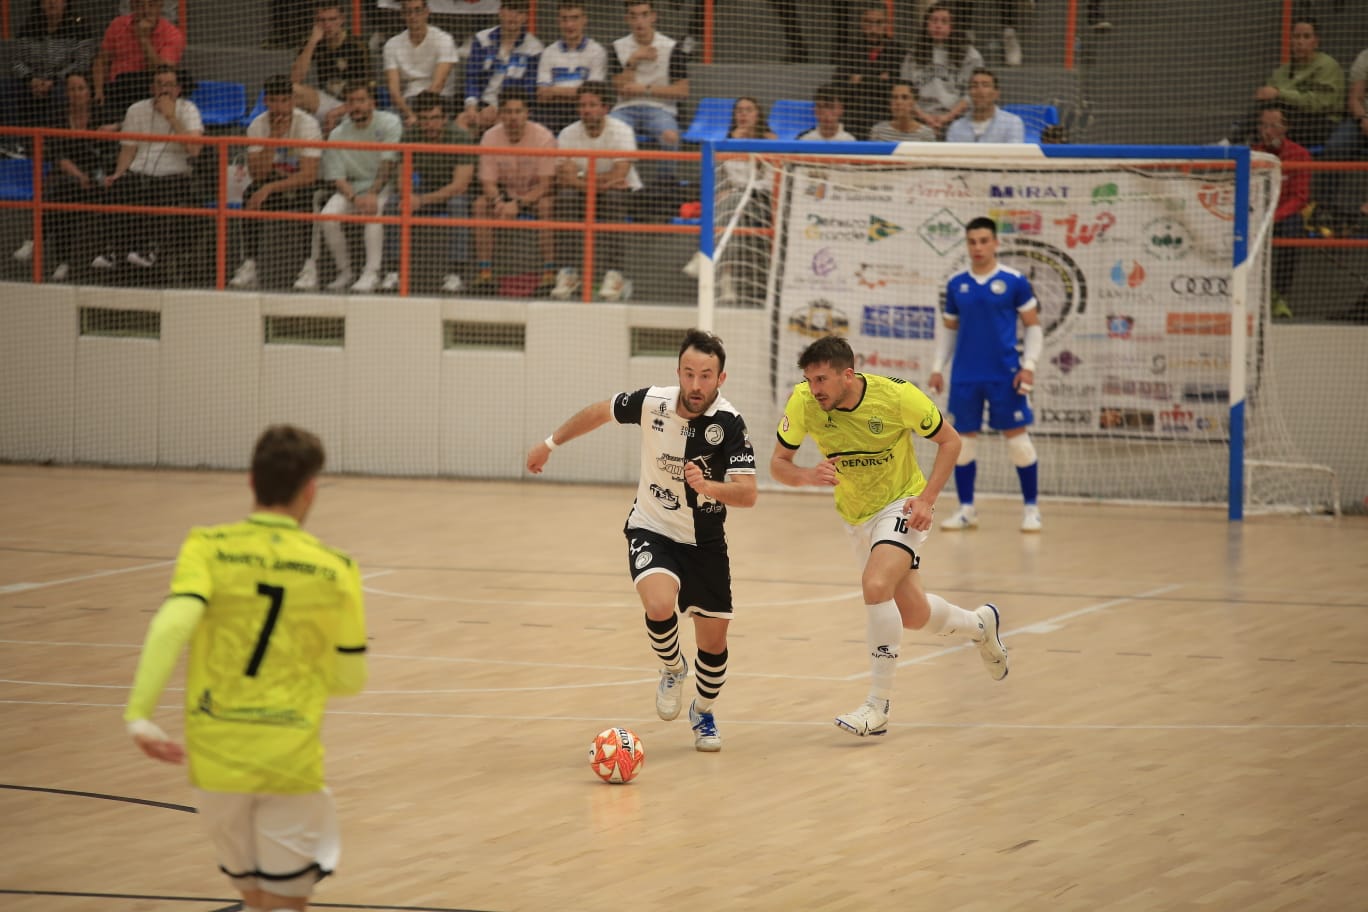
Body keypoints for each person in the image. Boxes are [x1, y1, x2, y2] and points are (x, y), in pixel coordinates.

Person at [123, 424, 367, 912]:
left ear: (252, 482)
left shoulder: (207, 548)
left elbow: (172, 625)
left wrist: (139, 714)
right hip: (288, 758)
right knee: (282, 904)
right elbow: (349, 679)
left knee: (255, 897)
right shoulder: (335, 567)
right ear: (311, 489)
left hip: (216, 760)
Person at [526, 329, 757, 751]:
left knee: (715, 645)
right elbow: (601, 411)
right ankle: (672, 667)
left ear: (720, 379)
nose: (695, 384)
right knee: (658, 602)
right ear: (678, 372)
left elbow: (748, 493)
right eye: (689, 373)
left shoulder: (730, 424)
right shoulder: (655, 402)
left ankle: (703, 713)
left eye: (706, 375)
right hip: (652, 526)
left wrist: (709, 486)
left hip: (705, 544)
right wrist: (549, 443)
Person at [770, 334, 1008, 738]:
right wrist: (807, 476)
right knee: (913, 614)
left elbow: (951, 441)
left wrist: (927, 500)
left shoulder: (897, 397)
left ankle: (877, 705)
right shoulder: (804, 403)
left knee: (875, 584)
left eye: (823, 380)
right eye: (810, 381)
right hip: (855, 515)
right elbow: (778, 464)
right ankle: (979, 626)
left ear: (848, 374)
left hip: (902, 504)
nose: (816, 390)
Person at [928, 215, 1044, 532]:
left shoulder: (1014, 281)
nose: (977, 247)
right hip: (965, 375)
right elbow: (949, 330)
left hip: (1005, 374)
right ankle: (967, 510)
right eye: (972, 241)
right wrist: (938, 367)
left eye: (983, 241)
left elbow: (1033, 326)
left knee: (1018, 442)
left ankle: (1031, 509)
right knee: (962, 444)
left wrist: (1029, 367)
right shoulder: (956, 284)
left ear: (995, 243)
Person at [91, 65, 202, 272]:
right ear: (152, 88)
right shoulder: (136, 109)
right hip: (139, 168)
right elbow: (128, 150)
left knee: (160, 193)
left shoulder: (189, 109)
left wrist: (171, 116)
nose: (164, 89)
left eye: (169, 85)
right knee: (117, 189)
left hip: (174, 171)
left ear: (178, 89)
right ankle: (113, 250)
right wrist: (118, 174)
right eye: (159, 84)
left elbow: (194, 149)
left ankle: (149, 249)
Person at [294, 80, 402, 292]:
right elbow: (337, 177)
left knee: (374, 213)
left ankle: (372, 273)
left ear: (372, 103)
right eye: (351, 101)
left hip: (383, 186)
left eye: (361, 100)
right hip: (351, 189)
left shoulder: (390, 122)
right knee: (328, 217)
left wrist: (371, 194)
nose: (356, 106)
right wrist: (354, 198)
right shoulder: (337, 134)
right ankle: (345, 272)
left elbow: (388, 164)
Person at [11, 70, 114, 280]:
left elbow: (124, 126)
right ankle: (60, 259)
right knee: (60, 197)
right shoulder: (58, 115)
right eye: (71, 89)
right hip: (70, 173)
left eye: (81, 88)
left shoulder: (101, 112)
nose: (76, 93)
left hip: (96, 174)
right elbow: (58, 155)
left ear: (89, 91)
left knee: (63, 195)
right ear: (66, 93)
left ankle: (37, 242)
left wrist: (114, 127)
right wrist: (79, 176)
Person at [230, 74, 324, 290]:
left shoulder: (307, 125)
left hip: (303, 183)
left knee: (309, 199)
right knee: (250, 194)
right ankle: (250, 264)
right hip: (272, 180)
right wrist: (273, 138)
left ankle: (310, 267)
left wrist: (270, 187)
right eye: (274, 101)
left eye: (284, 101)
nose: (280, 107)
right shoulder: (257, 126)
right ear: (266, 102)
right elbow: (257, 174)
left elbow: (309, 174)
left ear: (292, 101)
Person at [381, 91, 476, 294]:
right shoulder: (411, 135)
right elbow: (401, 177)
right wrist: (408, 195)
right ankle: (392, 271)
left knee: (458, 204)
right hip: (422, 190)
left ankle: (455, 273)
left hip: (450, 193)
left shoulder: (460, 137)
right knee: (393, 203)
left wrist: (421, 200)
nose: (429, 124)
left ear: (445, 118)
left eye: (434, 118)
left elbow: (460, 185)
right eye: (424, 119)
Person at [553, 81, 639, 301]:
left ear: (605, 108)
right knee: (565, 198)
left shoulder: (622, 131)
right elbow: (563, 178)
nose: (586, 110)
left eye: (592, 105)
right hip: (581, 192)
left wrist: (580, 178)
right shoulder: (567, 134)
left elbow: (620, 175)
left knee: (612, 197)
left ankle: (615, 275)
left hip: (620, 191)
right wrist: (596, 181)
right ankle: (568, 273)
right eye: (582, 105)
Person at [470, 86, 558, 296]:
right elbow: (488, 182)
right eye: (508, 112)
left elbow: (545, 184)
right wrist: (500, 202)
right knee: (480, 204)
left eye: (518, 112)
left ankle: (548, 273)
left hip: (536, 194)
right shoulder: (490, 137)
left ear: (527, 113)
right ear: (500, 114)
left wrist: (518, 205)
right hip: (504, 194)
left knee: (547, 205)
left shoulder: (543, 137)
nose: (513, 117)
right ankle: (485, 273)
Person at [608, 0, 689, 181]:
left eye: (644, 15)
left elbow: (683, 91)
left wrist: (645, 89)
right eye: (633, 16)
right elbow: (621, 90)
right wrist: (634, 59)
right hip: (624, 109)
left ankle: (665, 185)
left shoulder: (671, 47)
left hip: (660, 109)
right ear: (626, 19)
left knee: (670, 136)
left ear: (653, 17)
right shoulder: (617, 47)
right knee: (609, 130)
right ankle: (621, 182)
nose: (639, 21)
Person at [1237, 16, 1343, 148]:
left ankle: (1233, 139)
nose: (1300, 42)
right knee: (1265, 113)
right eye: (1296, 37)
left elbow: (1320, 103)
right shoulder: (1283, 70)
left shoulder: (1327, 65)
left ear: (1316, 42)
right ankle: (1242, 143)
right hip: (1287, 119)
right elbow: (1269, 98)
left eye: (1306, 37)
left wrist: (1279, 93)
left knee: (1275, 121)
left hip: (1320, 122)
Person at [1251, 107, 1310, 320]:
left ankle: (1279, 296)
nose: (1267, 131)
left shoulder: (1299, 154)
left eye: (1273, 126)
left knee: (1292, 229)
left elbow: (1300, 197)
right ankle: (1250, 293)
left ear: (1285, 128)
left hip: (1283, 216)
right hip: (1256, 213)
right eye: (1263, 126)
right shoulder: (1253, 154)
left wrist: (1273, 217)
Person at [1, 0, 96, 132]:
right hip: (32, 81)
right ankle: (12, 141)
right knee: (5, 87)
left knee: (63, 91)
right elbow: (16, 61)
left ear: (65, 3)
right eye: (47, 0)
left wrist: (55, 80)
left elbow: (82, 61)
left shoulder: (79, 27)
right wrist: (31, 79)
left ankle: (55, 140)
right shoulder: (28, 28)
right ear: (40, 4)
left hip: (63, 81)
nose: (52, 3)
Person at [91, 0, 185, 120]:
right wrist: (98, 90)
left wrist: (143, 39)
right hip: (118, 94)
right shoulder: (117, 25)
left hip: (152, 95)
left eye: (151, 5)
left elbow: (163, 72)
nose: (146, 10)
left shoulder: (172, 34)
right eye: (140, 4)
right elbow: (101, 61)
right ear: (132, 5)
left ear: (160, 6)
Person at [900, 2, 982, 138]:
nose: (938, 25)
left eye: (944, 21)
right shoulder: (913, 55)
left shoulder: (970, 56)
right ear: (926, 24)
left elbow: (972, 94)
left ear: (953, 26)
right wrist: (926, 118)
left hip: (958, 120)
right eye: (934, 20)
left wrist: (947, 117)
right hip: (919, 120)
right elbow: (904, 91)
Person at [462, 0, 544, 133]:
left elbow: (529, 91)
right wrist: (471, 106)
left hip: (511, 110)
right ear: (500, 12)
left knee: (504, 128)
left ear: (525, 17)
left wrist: (500, 111)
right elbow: (472, 78)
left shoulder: (534, 48)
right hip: (480, 105)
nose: (513, 16)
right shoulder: (482, 39)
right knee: (462, 123)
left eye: (519, 12)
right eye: (509, 10)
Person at [290, 2, 372, 135]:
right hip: (326, 101)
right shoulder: (315, 42)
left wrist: (336, 112)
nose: (327, 25)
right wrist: (312, 42)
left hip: (353, 105)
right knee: (292, 91)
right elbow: (295, 79)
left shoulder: (357, 45)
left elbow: (366, 92)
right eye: (322, 20)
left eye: (332, 19)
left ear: (342, 19)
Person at [833, 1, 906, 141]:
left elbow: (897, 89)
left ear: (886, 25)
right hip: (854, 117)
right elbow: (839, 87)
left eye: (879, 23)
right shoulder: (849, 51)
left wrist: (860, 80)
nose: (873, 29)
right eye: (868, 23)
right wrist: (879, 79)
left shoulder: (898, 52)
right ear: (862, 24)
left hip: (885, 117)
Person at [535, 0, 608, 135]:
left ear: (584, 20)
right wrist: (576, 91)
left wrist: (554, 91)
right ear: (558, 21)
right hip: (552, 112)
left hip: (583, 112)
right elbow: (542, 94)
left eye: (575, 18)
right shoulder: (548, 52)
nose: (569, 25)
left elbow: (592, 95)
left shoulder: (597, 51)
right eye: (564, 19)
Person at [383, 0, 460, 127]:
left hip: (440, 100)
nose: (413, 16)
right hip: (408, 102)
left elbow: (438, 84)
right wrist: (410, 114)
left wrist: (423, 117)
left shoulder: (444, 39)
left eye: (417, 10)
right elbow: (394, 91)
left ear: (427, 12)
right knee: (389, 122)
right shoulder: (391, 45)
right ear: (402, 14)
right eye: (408, 12)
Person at [1317, 47, 1368, 226]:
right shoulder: (1365, 57)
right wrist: (1363, 119)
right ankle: (1325, 206)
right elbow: (1355, 98)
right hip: (1362, 120)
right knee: (1335, 147)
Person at [945, 67, 1024, 143]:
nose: (980, 91)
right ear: (969, 94)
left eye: (985, 85)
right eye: (974, 86)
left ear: (996, 94)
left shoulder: (1012, 123)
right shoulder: (956, 127)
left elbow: (1014, 155)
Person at [868, 80, 937, 142]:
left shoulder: (926, 134)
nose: (898, 102)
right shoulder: (878, 131)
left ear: (914, 101)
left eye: (905, 97)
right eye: (894, 97)